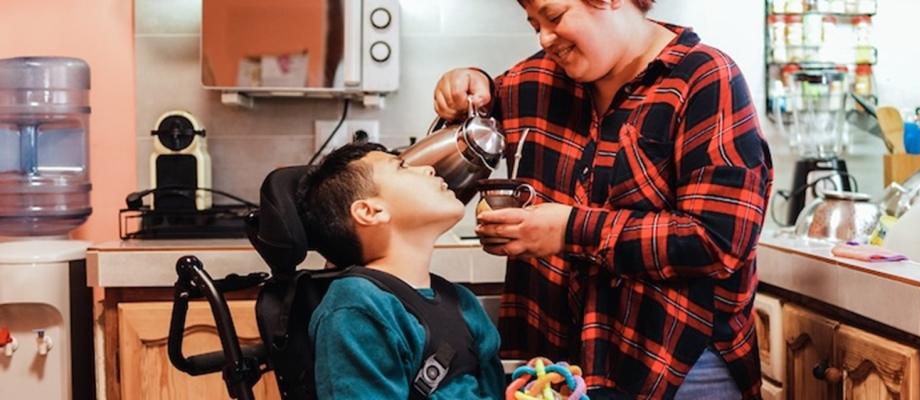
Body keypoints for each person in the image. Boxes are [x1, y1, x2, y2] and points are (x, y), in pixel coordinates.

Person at [433, 0, 773, 398]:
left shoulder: (704, 80)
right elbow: (456, 146)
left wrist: (569, 230)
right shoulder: (534, 81)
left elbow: (717, 240)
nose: (545, 38)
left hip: (679, 366)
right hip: (558, 371)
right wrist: (469, 86)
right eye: (534, 24)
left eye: (555, 17)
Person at [297, 143, 506, 399]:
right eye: (402, 167)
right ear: (370, 211)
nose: (428, 169)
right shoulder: (357, 308)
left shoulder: (462, 302)